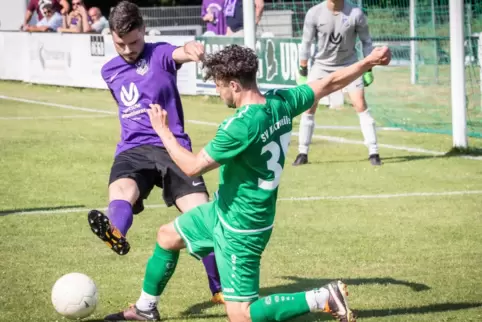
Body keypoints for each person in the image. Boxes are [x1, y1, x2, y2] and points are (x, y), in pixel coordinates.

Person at [103, 43, 391, 321]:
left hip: (241, 227)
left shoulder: (240, 126)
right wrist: (367, 62)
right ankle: (145, 308)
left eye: (218, 85)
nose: (217, 92)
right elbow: (328, 83)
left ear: (234, 85)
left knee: (241, 314)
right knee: (167, 236)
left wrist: (163, 132)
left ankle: (322, 297)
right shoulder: (281, 102)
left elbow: (191, 167)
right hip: (222, 211)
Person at [86, 1, 223, 304]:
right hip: (133, 148)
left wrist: (192, 49)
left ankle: (220, 288)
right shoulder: (109, 71)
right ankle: (116, 232)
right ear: (111, 36)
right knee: (121, 191)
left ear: (144, 30)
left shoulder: (159, 54)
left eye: (134, 41)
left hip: (172, 147)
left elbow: (181, 52)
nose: (128, 49)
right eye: (121, 43)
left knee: (201, 217)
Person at [294, 0, 382, 166]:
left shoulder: (356, 14)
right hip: (321, 66)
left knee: (360, 104)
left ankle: (374, 152)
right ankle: (302, 152)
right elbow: (306, 43)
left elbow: (366, 41)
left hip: (349, 64)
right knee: (308, 106)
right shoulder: (314, 13)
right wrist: (303, 70)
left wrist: (368, 68)